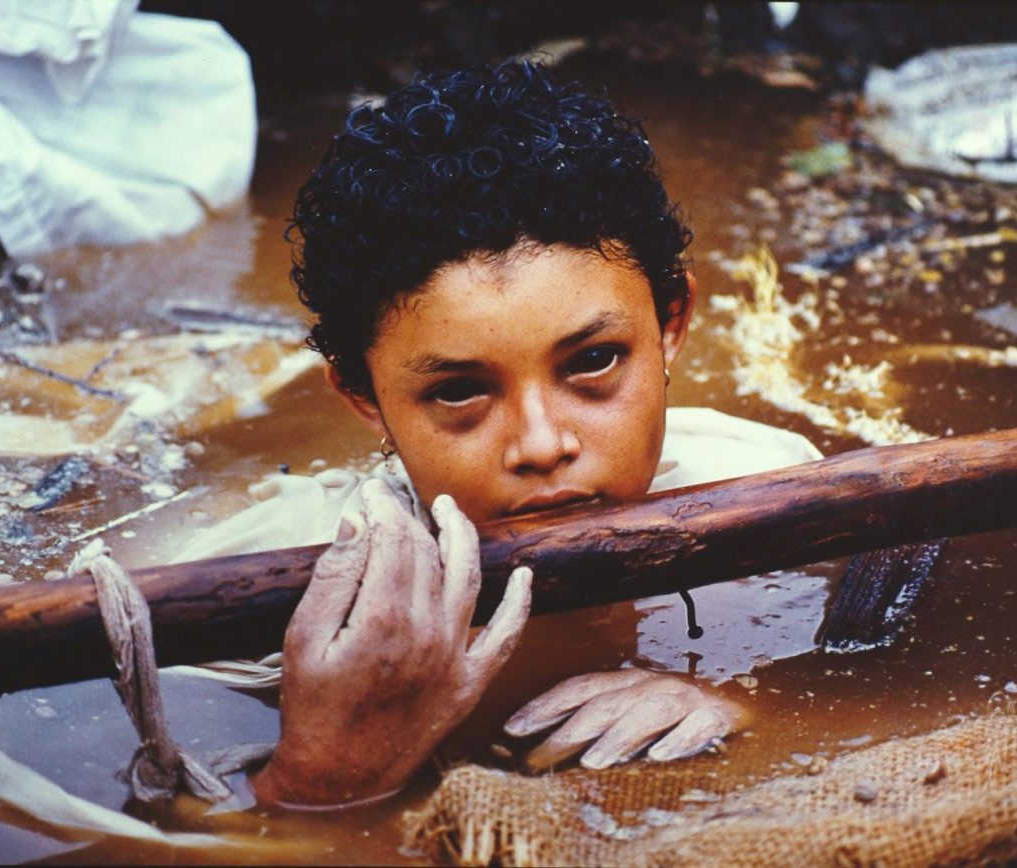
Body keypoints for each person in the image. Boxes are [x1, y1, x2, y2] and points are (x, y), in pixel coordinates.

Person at [173, 61, 820, 809]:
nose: (542, 445)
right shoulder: (241, 616)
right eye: (458, 392)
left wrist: (738, 707)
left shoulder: (774, 492)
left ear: (671, 326)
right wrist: (323, 776)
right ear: (365, 398)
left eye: (594, 362)